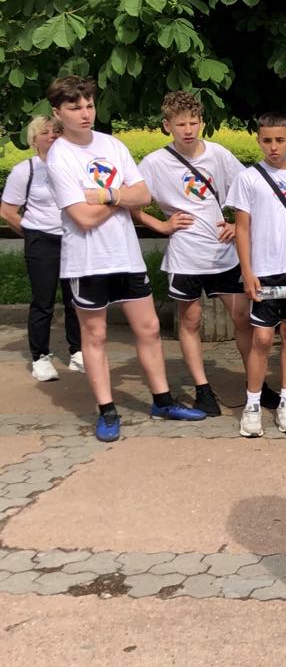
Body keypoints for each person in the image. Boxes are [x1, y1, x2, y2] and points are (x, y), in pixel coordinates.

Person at [45, 75, 206, 441]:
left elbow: (143, 195)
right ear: (57, 112)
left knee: (149, 329)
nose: (85, 113)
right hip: (87, 261)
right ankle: (107, 411)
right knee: (95, 335)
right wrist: (121, 197)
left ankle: (162, 401)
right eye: (75, 107)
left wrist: (104, 195)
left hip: (126, 256)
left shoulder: (112, 145)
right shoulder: (59, 157)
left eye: (89, 105)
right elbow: (83, 219)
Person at [136, 91, 258, 416]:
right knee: (190, 320)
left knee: (242, 318)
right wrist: (161, 225)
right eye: (180, 124)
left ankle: (255, 384)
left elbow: (249, 190)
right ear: (167, 126)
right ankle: (202, 388)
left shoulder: (218, 154)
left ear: (201, 121)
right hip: (185, 255)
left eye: (193, 122)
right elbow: (131, 202)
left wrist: (237, 224)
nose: (188, 130)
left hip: (223, 253)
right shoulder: (155, 163)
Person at [227, 112, 286, 438]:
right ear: (258, 141)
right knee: (262, 339)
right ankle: (252, 405)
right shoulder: (248, 179)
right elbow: (241, 228)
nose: (274, 147)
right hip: (263, 271)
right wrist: (247, 271)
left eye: (280, 140)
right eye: (267, 140)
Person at [0, 115, 83, 382]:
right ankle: (40, 357)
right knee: (43, 302)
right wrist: (32, 232)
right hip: (42, 241)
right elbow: (8, 211)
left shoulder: (74, 166)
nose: (52, 136)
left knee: (76, 300)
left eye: (56, 131)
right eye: (45, 132)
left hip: (73, 239)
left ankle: (78, 351)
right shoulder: (25, 170)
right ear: (34, 139)